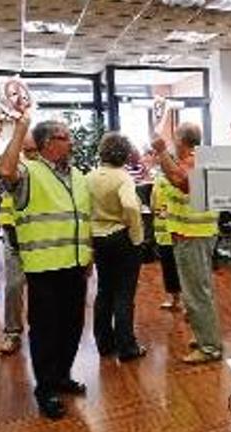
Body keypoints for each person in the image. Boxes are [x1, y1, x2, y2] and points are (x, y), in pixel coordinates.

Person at [0, 111, 92, 419]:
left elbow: (82, 219)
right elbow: (5, 170)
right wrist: (20, 127)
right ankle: (46, 388)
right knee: (46, 332)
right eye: (66, 137)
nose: (72, 141)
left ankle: (62, 375)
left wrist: (87, 257)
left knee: (72, 327)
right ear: (48, 143)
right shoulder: (29, 172)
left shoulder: (77, 175)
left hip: (75, 266)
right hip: (44, 269)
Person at [151, 122, 222, 364]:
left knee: (196, 293)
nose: (172, 142)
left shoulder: (194, 161)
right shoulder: (192, 159)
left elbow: (180, 180)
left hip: (195, 235)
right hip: (191, 234)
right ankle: (206, 336)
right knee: (199, 290)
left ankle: (210, 346)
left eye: (174, 139)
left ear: (181, 141)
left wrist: (161, 151)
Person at [87, 132, 147, 362]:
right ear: (124, 154)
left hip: (99, 238)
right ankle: (127, 347)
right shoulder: (123, 178)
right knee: (124, 294)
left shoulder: (89, 177)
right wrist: (136, 235)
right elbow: (131, 206)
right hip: (121, 238)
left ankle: (104, 343)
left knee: (104, 291)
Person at [0, 115, 30, 354]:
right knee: (13, 286)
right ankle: (12, 332)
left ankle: (45, 329)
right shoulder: (6, 170)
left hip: (37, 237)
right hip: (13, 238)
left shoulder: (32, 169)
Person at [149, 149, 182, 310]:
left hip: (176, 233)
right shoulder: (159, 181)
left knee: (179, 270)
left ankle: (184, 302)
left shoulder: (178, 182)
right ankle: (175, 300)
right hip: (164, 233)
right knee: (170, 269)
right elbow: (154, 204)